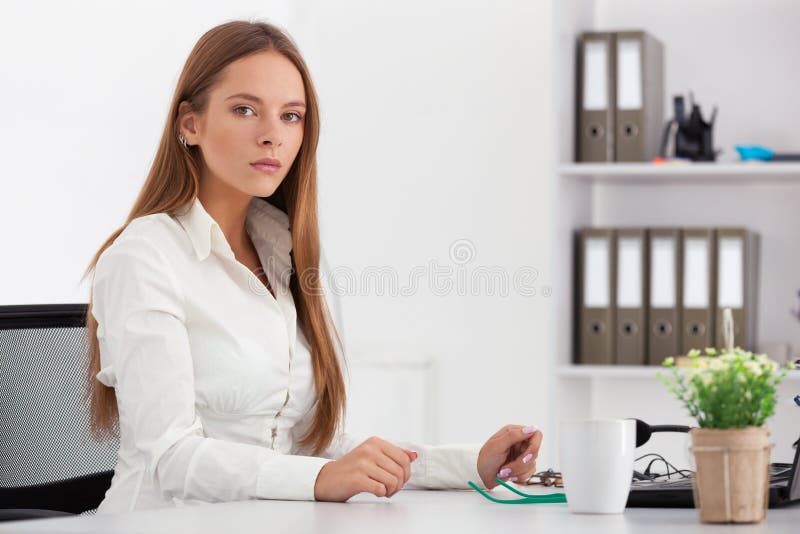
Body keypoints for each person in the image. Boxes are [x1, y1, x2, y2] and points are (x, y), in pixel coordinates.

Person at [82, 19, 542, 513]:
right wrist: (321, 477)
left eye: (291, 116)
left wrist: (469, 465)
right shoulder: (145, 257)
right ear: (189, 124)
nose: (272, 136)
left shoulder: (287, 252)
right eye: (244, 110)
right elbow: (170, 459)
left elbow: (310, 444)